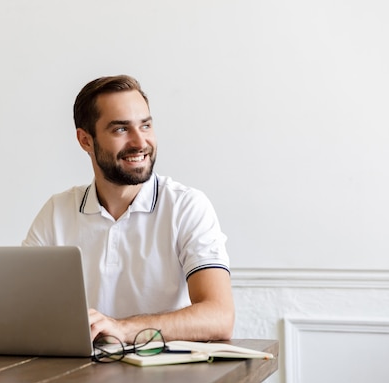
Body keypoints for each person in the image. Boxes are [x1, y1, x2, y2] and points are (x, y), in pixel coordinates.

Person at [23, 75, 234, 344]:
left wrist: (122, 328)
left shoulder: (186, 206)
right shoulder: (57, 212)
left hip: (168, 377)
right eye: (121, 129)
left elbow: (219, 316)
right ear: (85, 140)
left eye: (145, 126)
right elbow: (22, 307)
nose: (139, 142)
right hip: (81, 378)